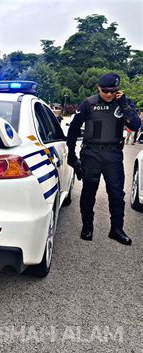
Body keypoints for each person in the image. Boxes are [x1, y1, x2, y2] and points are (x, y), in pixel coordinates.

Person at [66, 73, 141, 245]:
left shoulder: (123, 104)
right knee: (88, 192)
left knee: (116, 194)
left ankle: (116, 229)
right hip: (91, 154)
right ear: (98, 88)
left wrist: (124, 105)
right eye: (105, 91)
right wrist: (72, 155)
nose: (108, 94)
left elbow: (136, 125)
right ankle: (87, 227)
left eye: (113, 91)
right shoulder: (88, 103)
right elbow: (73, 129)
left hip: (113, 155)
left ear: (118, 90)